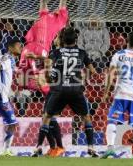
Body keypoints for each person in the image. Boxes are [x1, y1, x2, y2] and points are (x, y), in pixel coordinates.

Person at [32, 27, 99, 157]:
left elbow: (47, 67)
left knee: (47, 117)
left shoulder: (56, 52)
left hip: (59, 90)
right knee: (86, 118)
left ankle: (38, 147)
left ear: (63, 40)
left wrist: (49, 78)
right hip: (76, 90)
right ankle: (91, 147)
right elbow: (93, 71)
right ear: (76, 39)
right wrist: (84, 78)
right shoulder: (82, 52)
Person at [101, 32, 133, 159]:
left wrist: (106, 92)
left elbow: (111, 74)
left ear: (126, 41)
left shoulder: (118, 55)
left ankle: (110, 149)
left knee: (112, 120)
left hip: (120, 92)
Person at [18, 0, 72, 95]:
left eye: (63, 9)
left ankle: (52, 100)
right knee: (21, 78)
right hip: (29, 47)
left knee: (40, 78)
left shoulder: (61, 20)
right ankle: (24, 97)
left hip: (41, 49)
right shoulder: (46, 15)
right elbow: (43, 1)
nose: (61, 8)